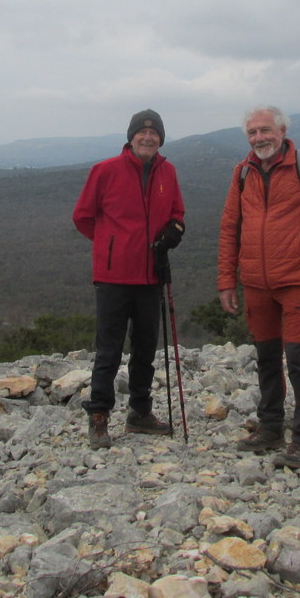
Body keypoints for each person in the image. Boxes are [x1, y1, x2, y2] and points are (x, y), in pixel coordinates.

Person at [217, 105, 300, 469]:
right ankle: (270, 427)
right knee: (267, 358)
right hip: (256, 283)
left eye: (265, 131)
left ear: (283, 130)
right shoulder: (242, 173)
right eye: (252, 133)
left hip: (298, 282)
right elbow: (230, 229)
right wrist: (227, 279)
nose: (259, 138)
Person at [73, 109, 186, 449]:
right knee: (108, 349)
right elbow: (83, 217)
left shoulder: (168, 172)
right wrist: (112, 245)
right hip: (113, 277)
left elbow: (178, 213)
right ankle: (99, 417)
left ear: (160, 139)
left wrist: (174, 231)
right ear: (131, 137)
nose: (148, 138)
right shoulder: (105, 171)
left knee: (145, 348)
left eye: (154, 134)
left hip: (151, 274)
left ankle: (139, 412)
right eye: (142, 133)